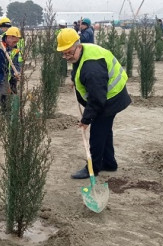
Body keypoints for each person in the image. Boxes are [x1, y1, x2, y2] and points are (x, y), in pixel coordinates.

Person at [56, 28, 131, 179]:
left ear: (78, 46)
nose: (66, 56)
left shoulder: (92, 68)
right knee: (105, 131)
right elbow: (77, 66)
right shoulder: (83, 51)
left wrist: (86, 120)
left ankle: (93, 168)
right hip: (107, 95)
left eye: (69, 52)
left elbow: (97, 99)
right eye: (63, 53)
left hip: (110, 98)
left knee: (97, 132)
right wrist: (73, 78)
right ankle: (109, 163)